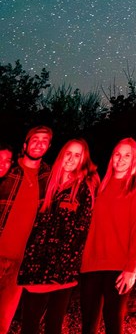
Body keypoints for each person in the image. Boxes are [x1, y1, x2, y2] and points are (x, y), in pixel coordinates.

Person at [16, 138, 100, 334]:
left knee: (53, 325)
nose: (71, 158)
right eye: (68, 153)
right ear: (62, 155)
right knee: (29, 323)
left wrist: (72, 262)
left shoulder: (84, 187)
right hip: (36, 265)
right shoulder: (47, 181)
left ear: (83, 160)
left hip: (63, 268)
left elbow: (83, 228)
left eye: (77, 155)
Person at [79, 137, 136, 334]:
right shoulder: (101, 184)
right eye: (117, 154)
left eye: (127, 155)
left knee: (113, 324)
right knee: (88, 325)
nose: (121, 159)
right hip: (91, 264)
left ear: (134, 159)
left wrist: (131, 268)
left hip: (118, 267)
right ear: (112, 157)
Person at [0, 125, 53, 334]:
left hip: (21, 262)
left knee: (3, 320)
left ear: (48, 147)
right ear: (25, 144)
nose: (39, 144)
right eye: (35, 139)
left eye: (44, 141)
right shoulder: (8, 169)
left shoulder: (48, 177)